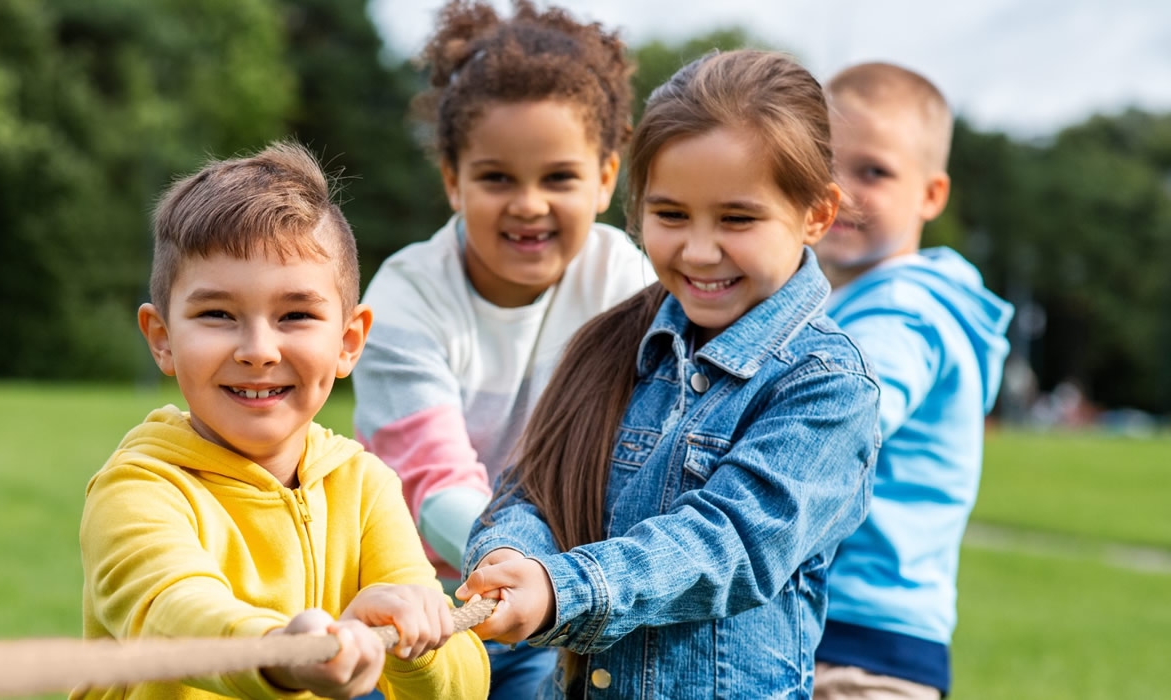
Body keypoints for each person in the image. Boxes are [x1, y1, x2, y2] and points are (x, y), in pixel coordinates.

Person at [456, 50, 880, 698]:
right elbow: (529, 492)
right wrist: (509, 558)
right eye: (672, 215)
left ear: (816, 214)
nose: (699, 250)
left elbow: (723, 546)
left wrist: (559, 590)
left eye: (737, 218)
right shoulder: (611, 343)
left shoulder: (826, 386)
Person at [74, 141, 489, 700]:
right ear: (162, 339)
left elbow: (463, 687)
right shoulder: (139, 489)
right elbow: (171, 609)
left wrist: (414, 639)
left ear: (348, 343)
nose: (258, 350)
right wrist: (281, 650)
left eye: (295, 315)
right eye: (217, 314)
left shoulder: (365, 487)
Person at [351, 2, 652, 695]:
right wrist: (520, 565)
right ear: (452, 179)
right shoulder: (403, 300)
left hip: (555, 610)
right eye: (496, 178)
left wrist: (555, 586)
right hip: (417, 608)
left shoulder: (628, 283)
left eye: (558, 178)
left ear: (606, 177)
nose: (528, 204)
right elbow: (433, 486)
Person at [812, 62, 1013, 699]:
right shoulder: (867, 302)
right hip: (879, 638)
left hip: (856, 649)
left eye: (873, 171)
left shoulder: (903, 314)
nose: (843, 189)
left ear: (931, 195)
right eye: (827, 164)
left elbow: (843, 416)